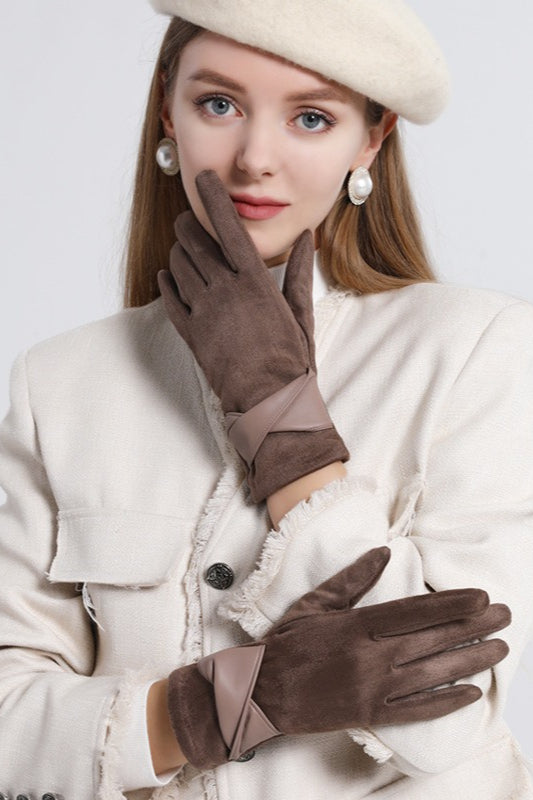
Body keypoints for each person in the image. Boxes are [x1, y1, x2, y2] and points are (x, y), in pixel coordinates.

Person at [0, 1, 532, 799]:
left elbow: (444, 719)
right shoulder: (61, 381)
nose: (254, 159)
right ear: (167, 112)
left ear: (371, 139)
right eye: (218, 104)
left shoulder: (475, 350)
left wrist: (280, 417)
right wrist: (224, 708)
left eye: (311, 118)